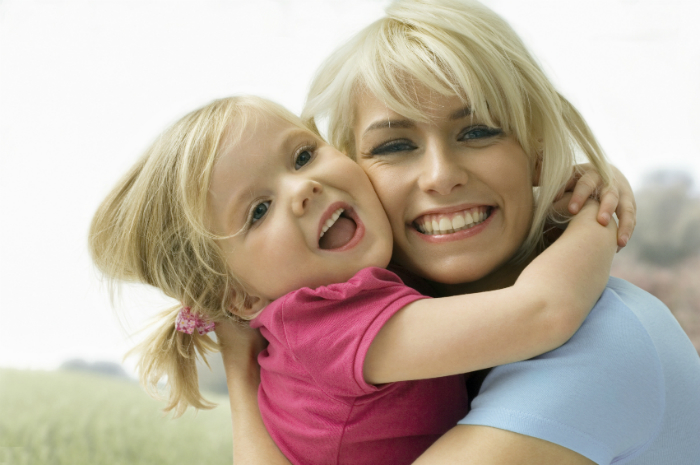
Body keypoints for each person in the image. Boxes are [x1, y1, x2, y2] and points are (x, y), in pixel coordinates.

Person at [219, 0, 700, 464]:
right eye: (396, 145)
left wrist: (595, 212)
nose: (440, 175)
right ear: (356, 171)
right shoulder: (375, 324)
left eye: (477, 132)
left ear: (535, 149)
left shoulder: (603, 350)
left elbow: (543, 310)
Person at [89, 95, 616, 464]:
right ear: (242, 296)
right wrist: (596, 211)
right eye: (258, 210)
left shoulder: (318, 318)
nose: (302, 188)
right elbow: (544, 312)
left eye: (301, 155)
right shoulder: (331, 325)